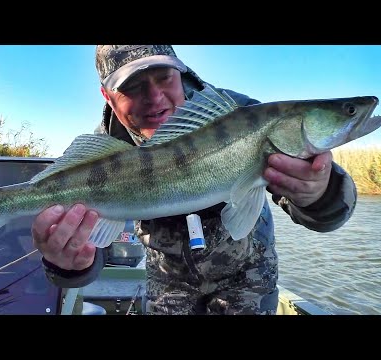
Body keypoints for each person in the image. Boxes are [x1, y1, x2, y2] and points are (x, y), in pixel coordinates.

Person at [31, 45, 357, 315]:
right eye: (132, 86)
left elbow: (328, 210)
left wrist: (320, 193)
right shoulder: (100, 156)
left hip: (248, 274)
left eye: (164, 77)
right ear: (107, 95)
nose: (155, 97)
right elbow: (92, 249)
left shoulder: (240, 116)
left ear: (181, 72)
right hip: (166, 278)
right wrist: (71, 265)